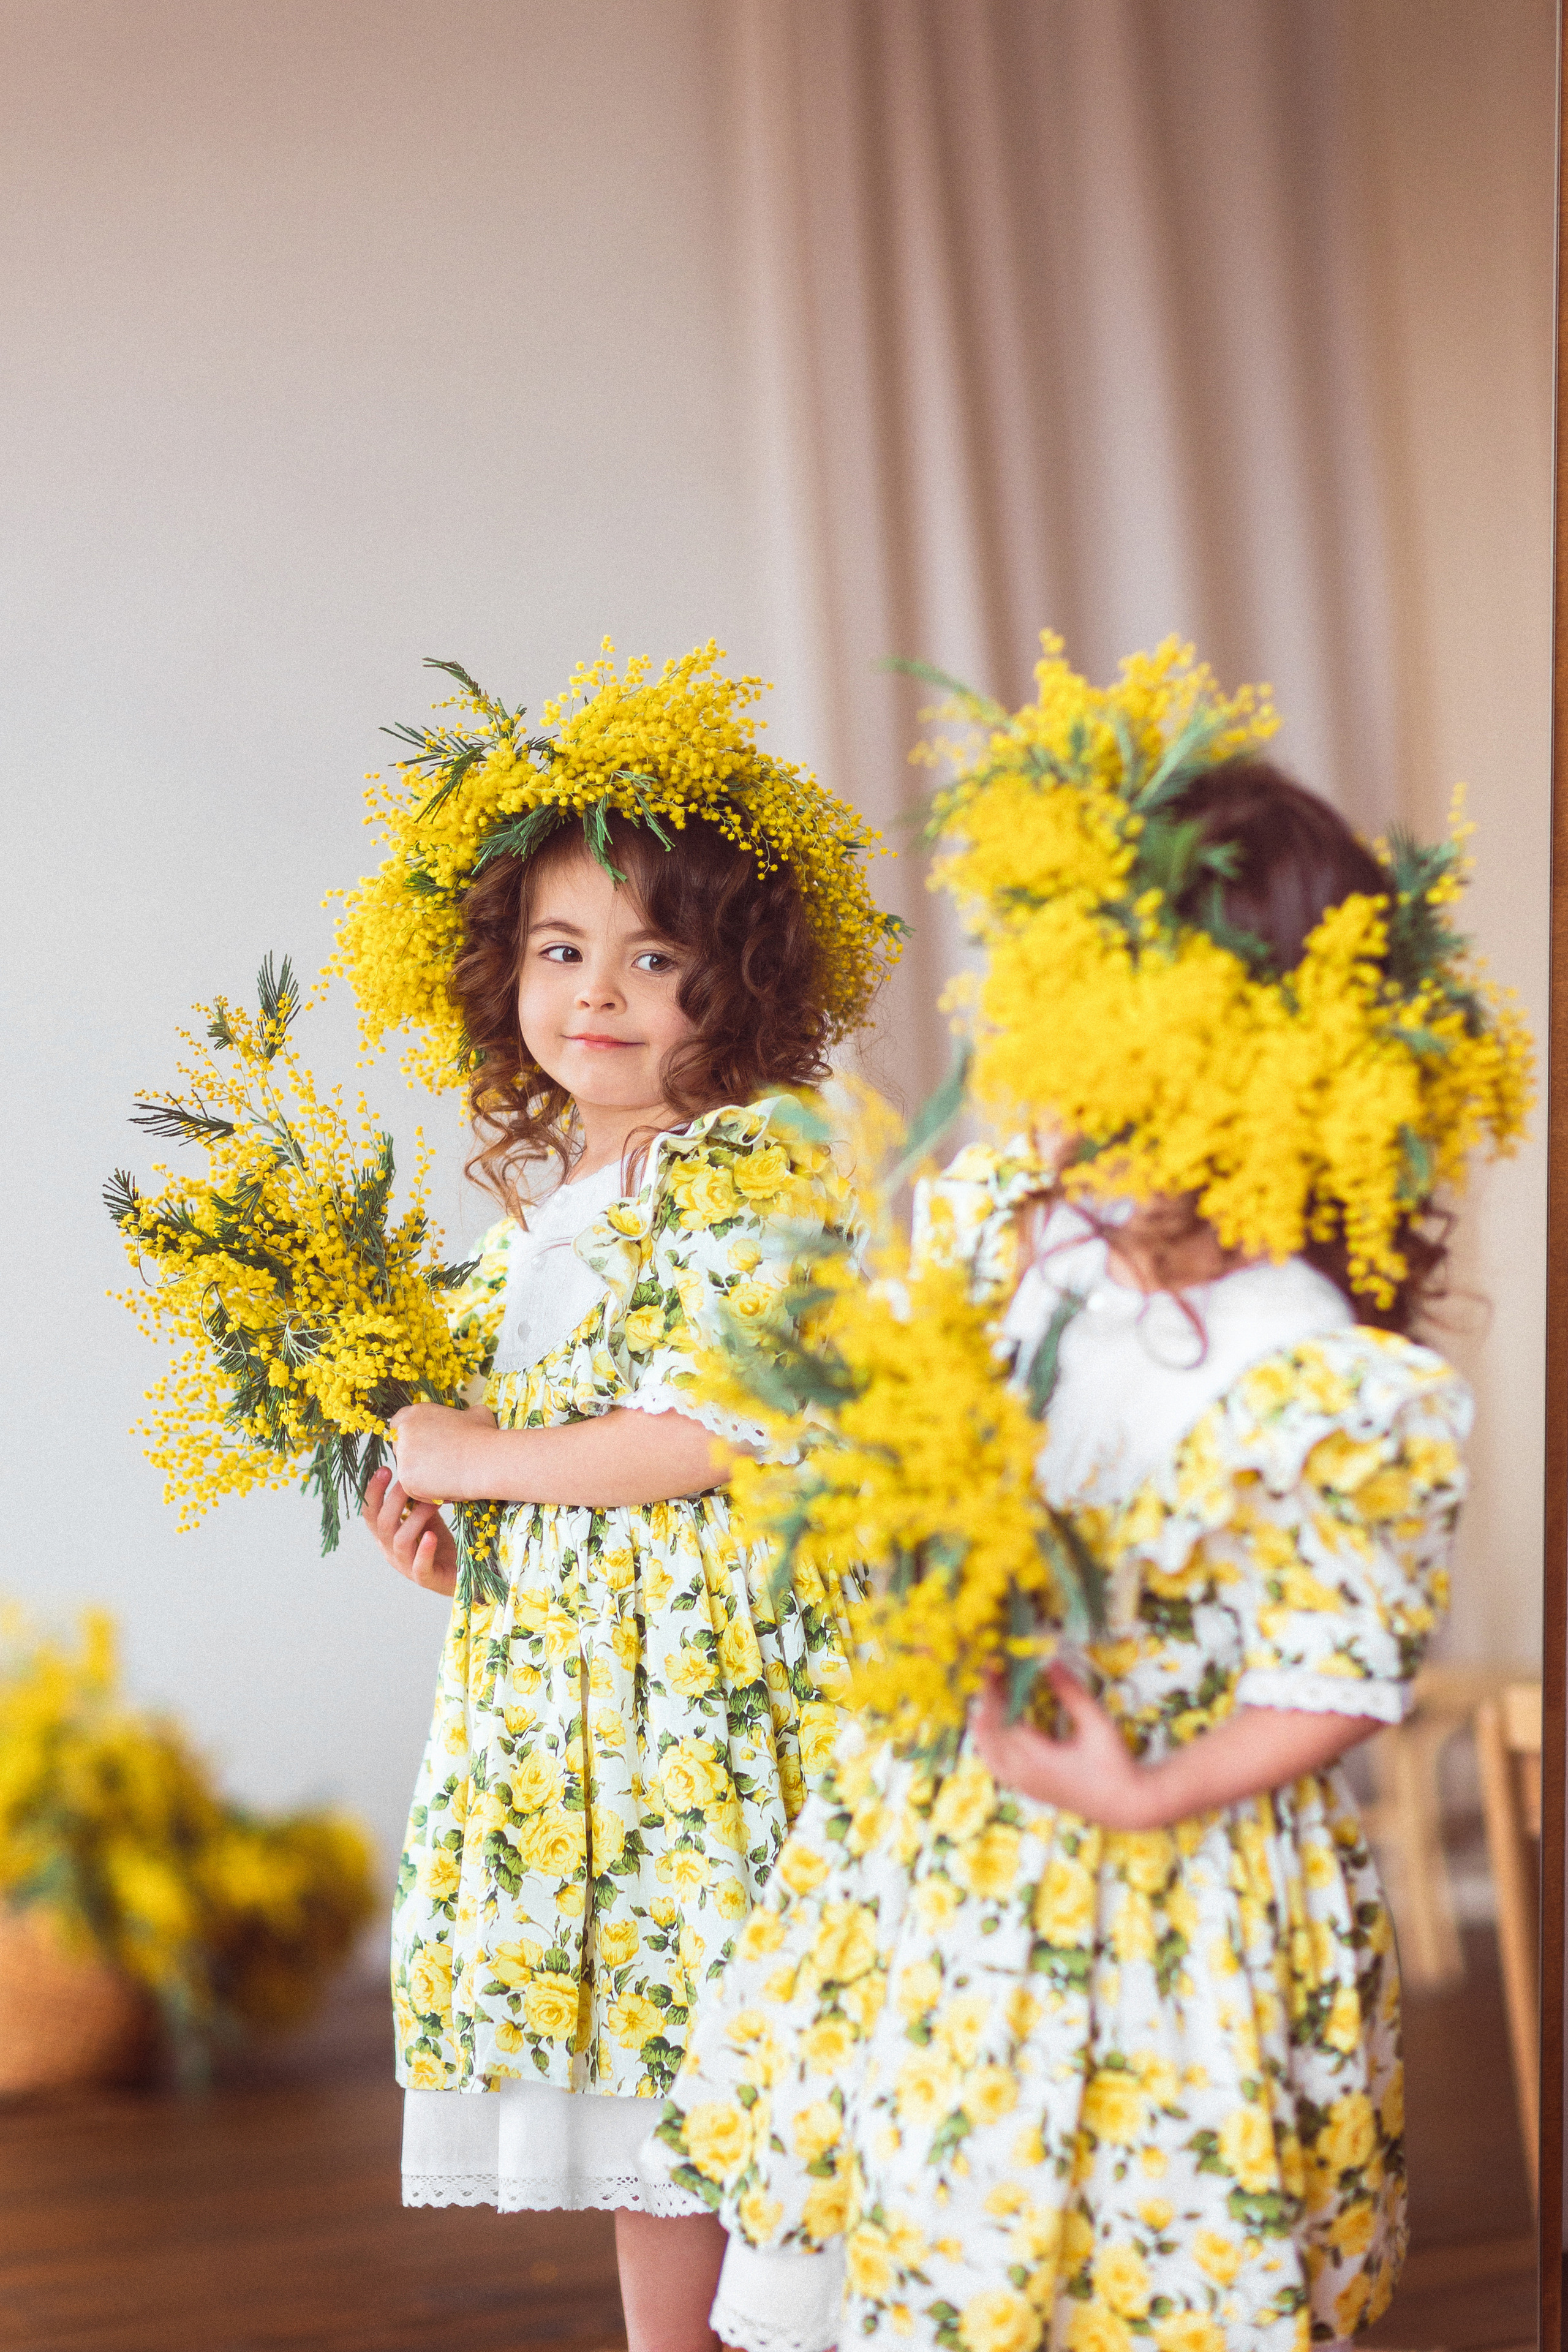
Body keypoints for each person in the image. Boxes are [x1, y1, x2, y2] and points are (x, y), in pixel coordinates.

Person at [644, 713, 1528, 2352]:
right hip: (949, 1842)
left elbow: (1337, 1673)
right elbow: (902, 1455)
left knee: (1123, 2268)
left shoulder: (1318, 1368)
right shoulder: (1001, 1232)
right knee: (921, 2239)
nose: (1063, 1084)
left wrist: (1152, 1787)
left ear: (1265, 1061)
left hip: (1165, 1872)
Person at [345, 646, 902, 2352]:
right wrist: (469, 1547)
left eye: (655, 958)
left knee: (744, 2088)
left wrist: (478, 1458)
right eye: (562, 951)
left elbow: (724, 1431)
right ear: (502, 973)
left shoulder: (752, 1162)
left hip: (720, 1729)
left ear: (739, 988)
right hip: (594, 1726)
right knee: (652, 2118)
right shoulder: (535, 1229)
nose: (600, 993)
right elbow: (588, 1487)